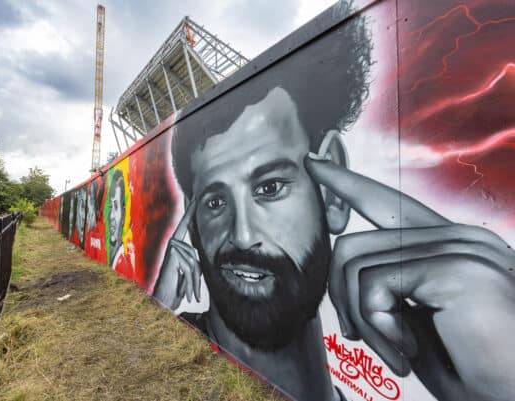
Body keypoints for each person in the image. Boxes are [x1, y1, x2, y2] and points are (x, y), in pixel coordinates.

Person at [152, 5, 515, 401]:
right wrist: (155, 309)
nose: (242, 236)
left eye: (270, 188)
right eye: (215, 201)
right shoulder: (170, 359)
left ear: (331, 192)